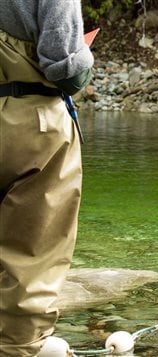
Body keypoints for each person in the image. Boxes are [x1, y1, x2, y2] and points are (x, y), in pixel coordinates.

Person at [0, 1, 94, 355]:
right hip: (35, 125)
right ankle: (16, 348)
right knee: (32, 258)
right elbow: (65, 67)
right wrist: (84, 61)